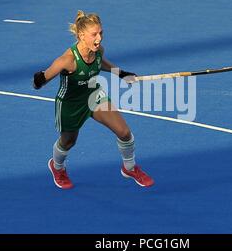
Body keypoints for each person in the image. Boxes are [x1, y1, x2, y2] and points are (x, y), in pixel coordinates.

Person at [33, 10, 154, 189]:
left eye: (101, 33)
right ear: (81, 35)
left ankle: (130, 167)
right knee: (69, 141)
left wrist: (122, 74)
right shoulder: (67, 61)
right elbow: (42, 80)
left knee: (124, 132)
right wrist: (39, 79)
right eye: (94, 34)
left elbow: (101, 63)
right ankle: (57, 166)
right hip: (70, 104)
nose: (99, 38)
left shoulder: (98, 51)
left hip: (92, 95)